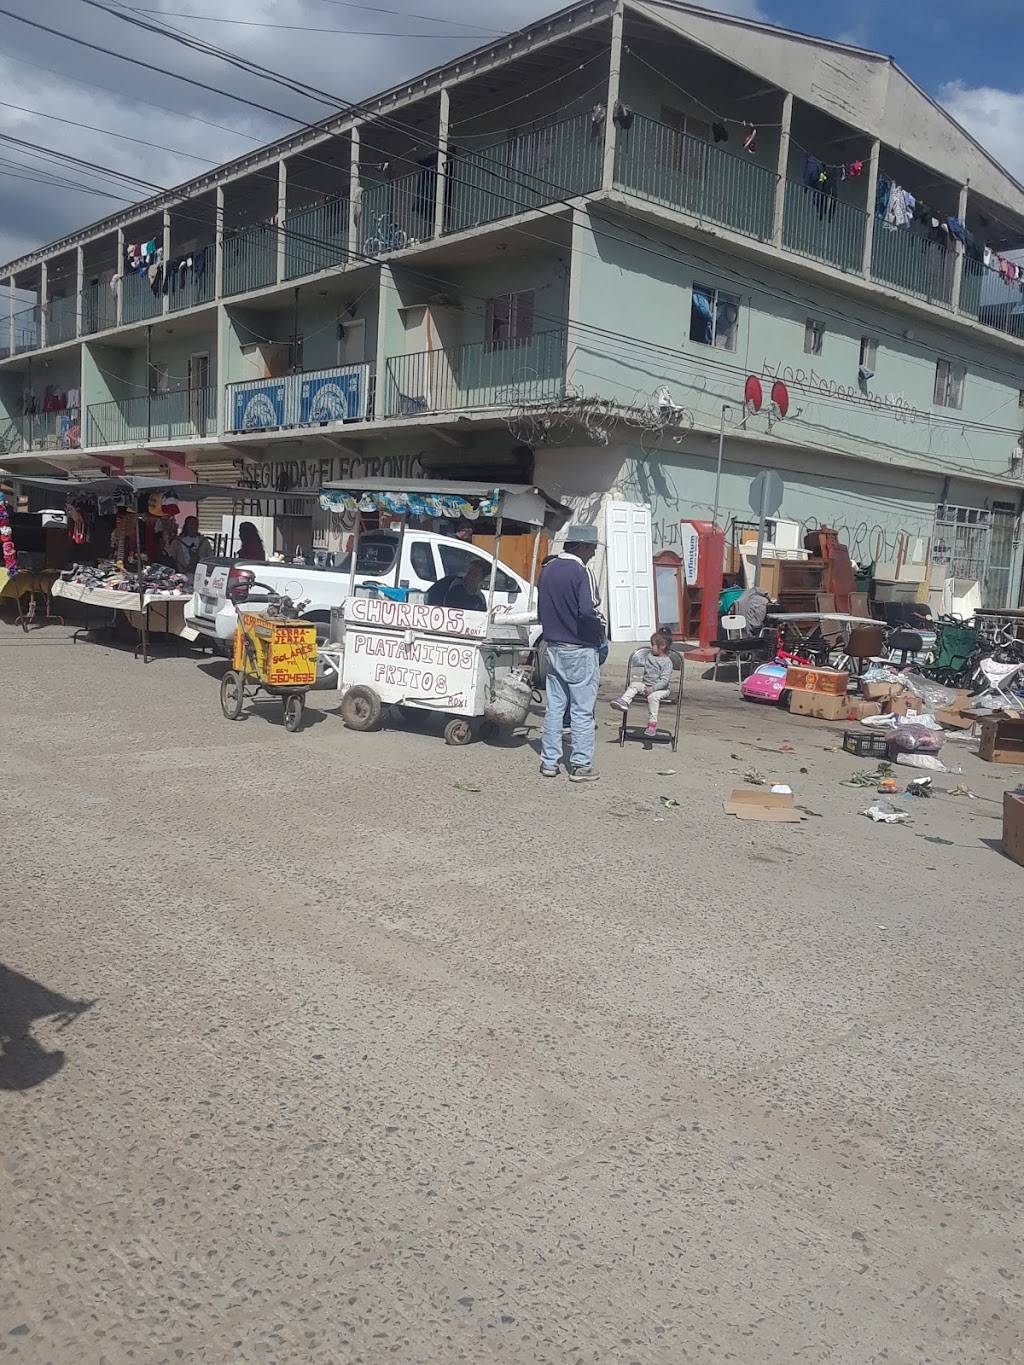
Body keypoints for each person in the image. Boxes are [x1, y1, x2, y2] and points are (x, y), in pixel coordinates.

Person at [537, 525, 603, 782]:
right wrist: (598, 631)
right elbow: (587, 611)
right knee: (582, 709)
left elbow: (543, 609)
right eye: (593, 548)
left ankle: (549, 762)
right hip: (579, 647)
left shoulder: (548, 570)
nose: (594, 553)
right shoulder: (581, 571)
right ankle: (580, 765)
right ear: (582, 546)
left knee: (555, 706)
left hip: (553, 646)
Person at [610, 630, 675, 738]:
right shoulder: (650, 656)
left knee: (653, 697)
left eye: (653, 645)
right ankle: (624, 702)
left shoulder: (667, 662)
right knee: (634, 684)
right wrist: (646, 687)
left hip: (661, 689)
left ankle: (652, 724)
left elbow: (664, 681)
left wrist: (653, 689)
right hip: (646, 685)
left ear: (662, 646)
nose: (651, 647)